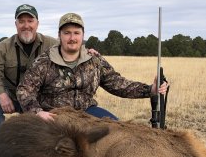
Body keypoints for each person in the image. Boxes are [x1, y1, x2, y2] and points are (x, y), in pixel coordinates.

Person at [16, 12, 168, 121]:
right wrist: (37, 112)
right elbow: (24, 90)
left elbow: (118, 84)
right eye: (67, 33)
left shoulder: (94, 60)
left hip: (88, 112)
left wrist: (150, 90)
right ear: (59, 35)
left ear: (83, 35)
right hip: (54, 115)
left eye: (76, 33)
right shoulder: (45, 61)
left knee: (117, 133)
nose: (72, 38)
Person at [0, 4, 58, 144]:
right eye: (21, 21)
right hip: (12, 97)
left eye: (30, 21)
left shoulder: (52, 44)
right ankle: (0, 145)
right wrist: (2, 95)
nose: (26, 25)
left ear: (37, 23)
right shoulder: (3, 46)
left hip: (39, 99)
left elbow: (73, 49)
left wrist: (88, 53)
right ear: (15, 24)